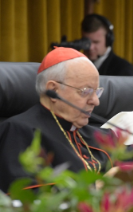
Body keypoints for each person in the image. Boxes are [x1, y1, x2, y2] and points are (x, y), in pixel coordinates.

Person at [0, 47, 114, 193]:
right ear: (53, 91)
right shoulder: (18, 131)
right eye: (86, 91)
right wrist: (98, 187)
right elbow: (29, 197)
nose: (95, 101)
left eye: (97, 92)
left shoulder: (100, 136)